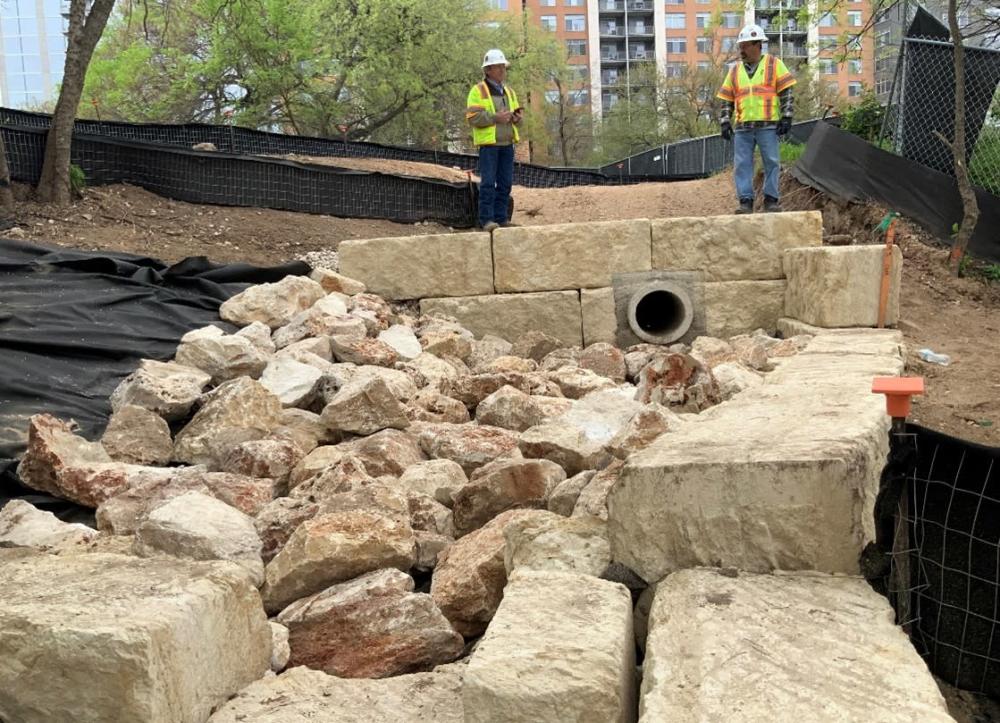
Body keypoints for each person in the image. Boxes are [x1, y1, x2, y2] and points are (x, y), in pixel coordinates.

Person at [716, 24, 796, 214]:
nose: (741, 50)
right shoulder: (734, 71)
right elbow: (727, 98)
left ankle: (771, 200)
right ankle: (745, 201)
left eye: (745, 45)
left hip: (768, 126)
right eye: (740, 46)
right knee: (742, 165)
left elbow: (787, 92)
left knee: (771, 162)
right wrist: (725, 121)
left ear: (757, 45)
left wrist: (787, 116)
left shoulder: (774, 65)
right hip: (743, 127)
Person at [466, 48, 523, 231]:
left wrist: (516, 119)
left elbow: (516, 117)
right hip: (489, 145)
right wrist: (494, 118)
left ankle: (501, 218)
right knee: (488, 183)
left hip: (507, 144)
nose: (501, 71)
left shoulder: (509, 92)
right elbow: (473, 117)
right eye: (497, 67)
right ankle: (486, 220)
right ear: (488, 70)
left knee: (505, 183)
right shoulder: (478, 91)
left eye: (503, 67)